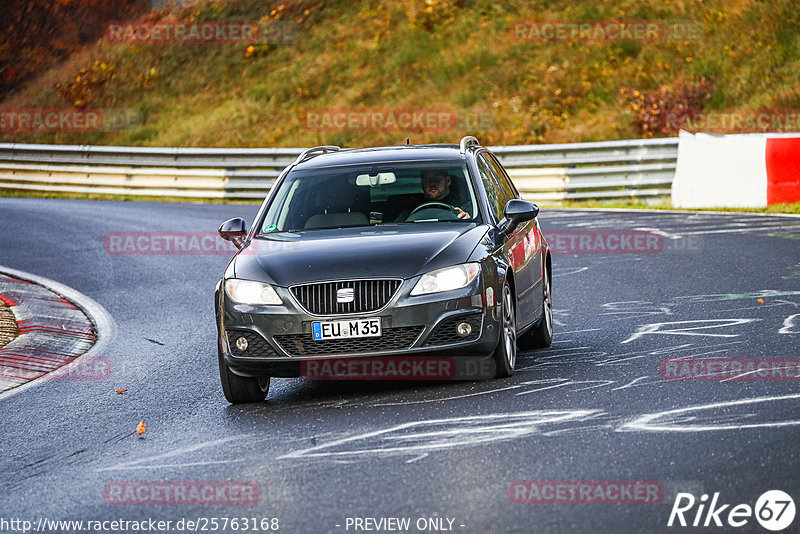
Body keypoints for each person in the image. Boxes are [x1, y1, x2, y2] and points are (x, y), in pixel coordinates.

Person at [397, 170, 471, 221]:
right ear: (422, 185)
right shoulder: (410, 211)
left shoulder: (466, 207)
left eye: (436, 179)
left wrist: (468, 221)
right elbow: (398, 231)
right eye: (426, 180)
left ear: (448, 181)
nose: (431, 183)